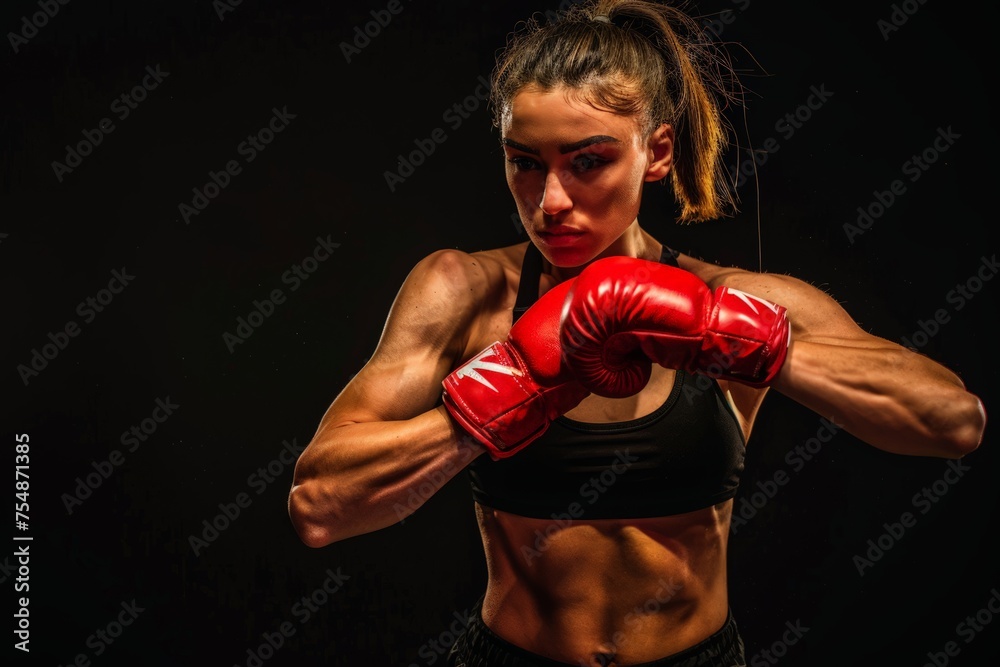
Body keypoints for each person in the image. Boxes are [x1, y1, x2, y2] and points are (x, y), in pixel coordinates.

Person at [287, 1, 987, 664]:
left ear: (655, 153)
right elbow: (320, 506)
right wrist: (511, 389)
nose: (550, 201)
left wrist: (729, 335)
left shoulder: (734, 296)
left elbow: (950, 420)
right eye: (525, 162)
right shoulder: (466, 293)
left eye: (587, 161)